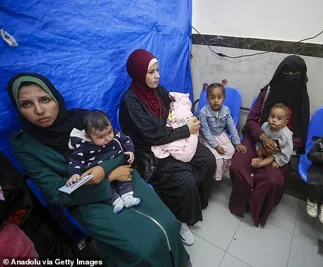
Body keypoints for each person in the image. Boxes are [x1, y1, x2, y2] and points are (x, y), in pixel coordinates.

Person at [8, 73, 190, 267]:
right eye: (26, 104)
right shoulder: (27, 146)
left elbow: (121, 146)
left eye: (44, 100)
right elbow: (55, 193)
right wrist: (107, 177)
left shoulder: (83, 119)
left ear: (55, 97)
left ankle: (179, 261)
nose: (39, 110)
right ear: (19, 109)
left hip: (125, 177)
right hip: (86, 199)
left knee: (170, 223)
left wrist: (102, 171)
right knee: (141, 249)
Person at [119, 49, 216, 246]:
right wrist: (186, 130)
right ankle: (179, 220)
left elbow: (173, 107)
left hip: (171, 139)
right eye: (151, 72)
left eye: (158, 70)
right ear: (138, 73)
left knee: (207, 159)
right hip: (150, 152)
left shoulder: (158, 91)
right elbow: (152, 135)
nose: (157, 76)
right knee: (184, 179)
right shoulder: (131, 102)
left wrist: (185, 115)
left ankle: (195, 201)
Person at [229, 55, 310, 227]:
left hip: (280, 149)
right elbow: (251, 120)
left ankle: (256, 209)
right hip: (257, 138)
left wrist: (276, 147)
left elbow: (300, 138)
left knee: (273, 180)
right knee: (238, 164)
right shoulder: (266, 94)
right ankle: (240, 205)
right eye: (286, 72)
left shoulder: (301, 102)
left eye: (295, 73)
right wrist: (263, 137)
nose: (290, 76)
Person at [67, 110, 141, 214]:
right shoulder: (83, 147)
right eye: (101, 137)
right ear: (89, 136)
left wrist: (129, 150)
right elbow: (75, 161)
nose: (108, 138)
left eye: (109, 132)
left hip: (118, 167)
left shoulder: (115, 134)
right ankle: (116, 201)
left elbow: (126, 140)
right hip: (101, 176)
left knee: (125, 180)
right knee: (105, 189)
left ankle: (128, 198)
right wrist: (74, 173)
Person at [199, 83, 247, 181]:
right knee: (218, 158)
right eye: (212, 98)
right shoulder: (203, 112)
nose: (216, 101)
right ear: (207, 98)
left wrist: (237, 143)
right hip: (208, 136)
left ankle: (223, 172)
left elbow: (231, 127)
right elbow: (205, 131)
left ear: (223, 98)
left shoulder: (226, 110)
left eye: (219, 97)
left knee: (231, 151)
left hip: (221, 134)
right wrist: (215, 145)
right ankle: (215, 176)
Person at [151, 92, 199, 162]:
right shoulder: (134, 101)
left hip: (185, 137)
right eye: (171, 106)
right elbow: (161, 132)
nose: (172, 108)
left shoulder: (182, 111)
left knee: (208, 160)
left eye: (173, 105)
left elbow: (183, 117)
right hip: (169, 136)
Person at [251, 103, 293, 170]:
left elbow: (287, 151)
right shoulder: (265, 126)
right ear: (268, 117)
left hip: (275, 153)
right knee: (260, 147)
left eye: (279, 119)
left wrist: (279, 162)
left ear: (285, 123)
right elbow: (260, 138)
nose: (274, 120)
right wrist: (261, 147)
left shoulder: (286, 136)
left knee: (273, 156)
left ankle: (259, 164)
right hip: (264, 147)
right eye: (272, 116)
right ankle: (260, 157)